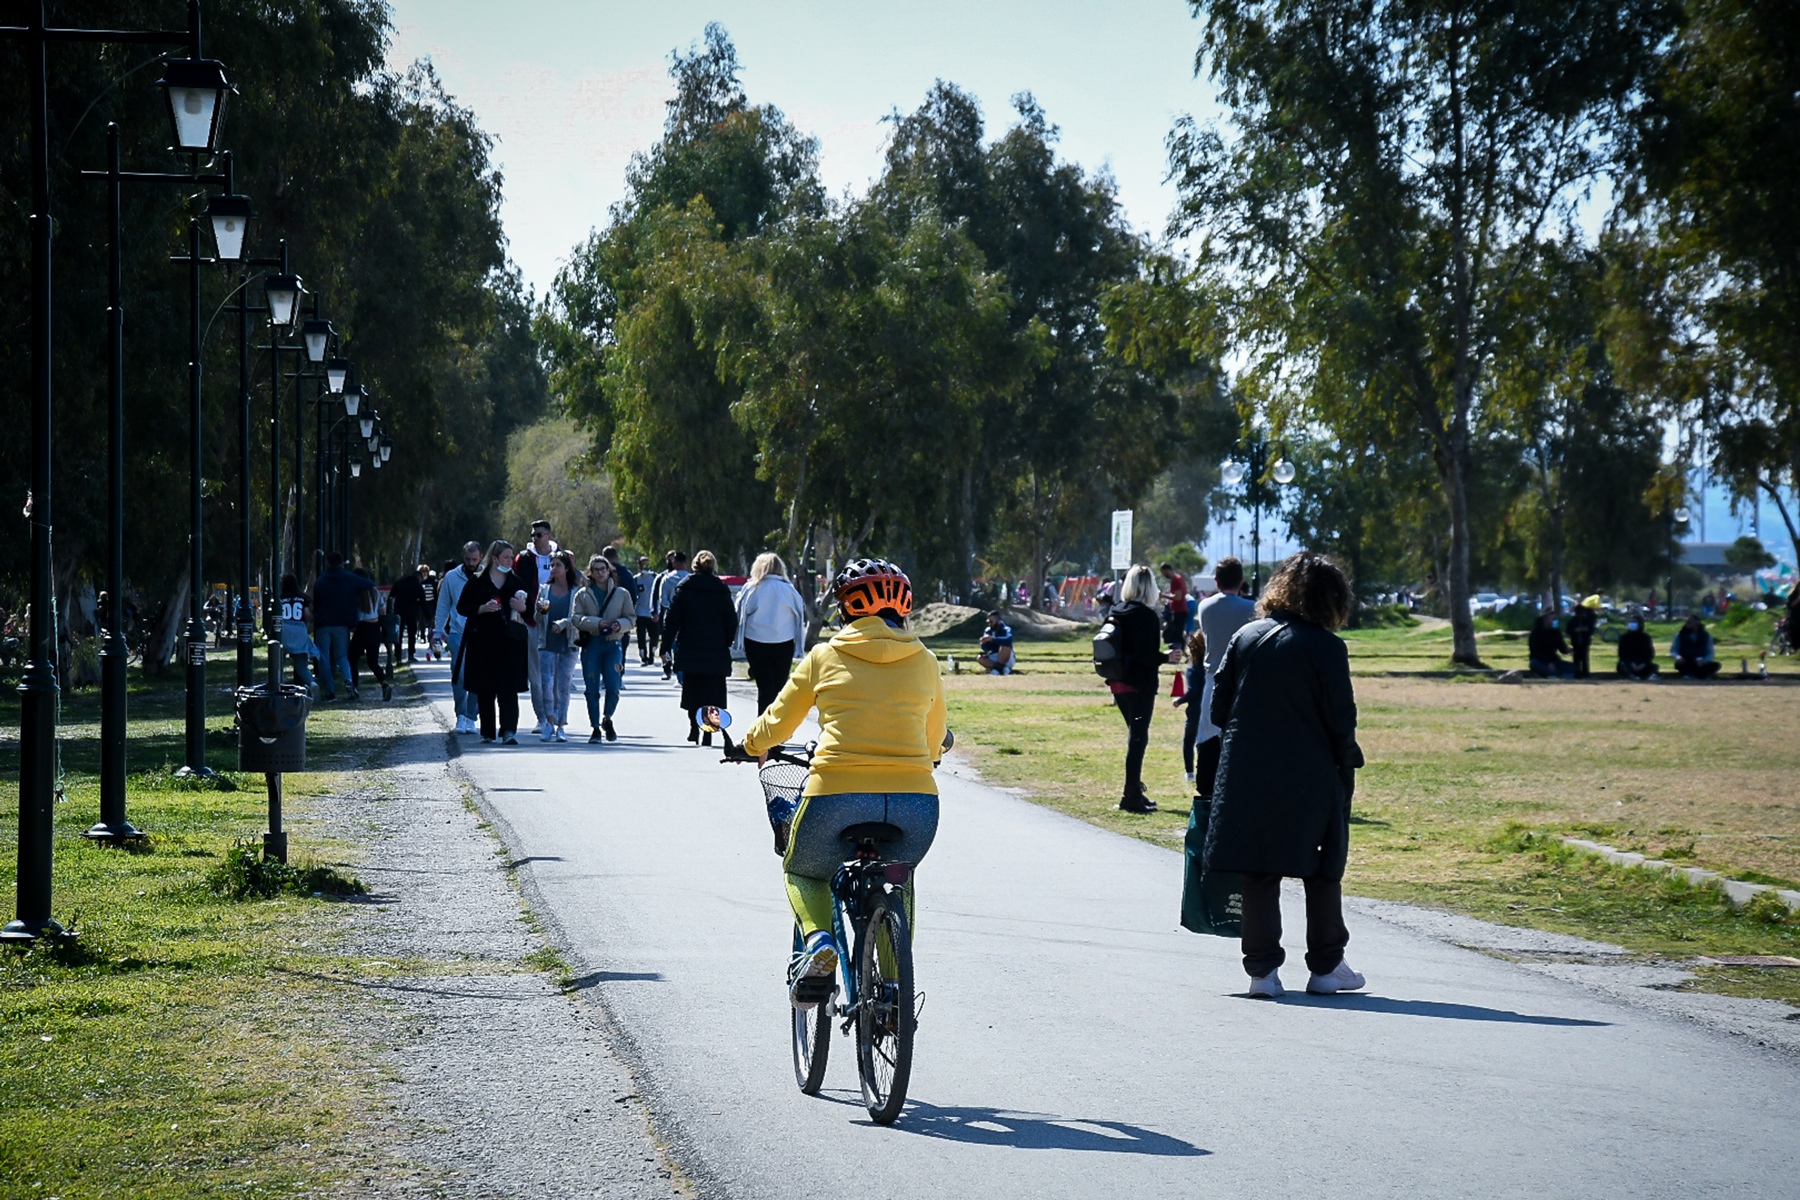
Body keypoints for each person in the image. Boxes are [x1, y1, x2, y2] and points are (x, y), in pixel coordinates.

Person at [736, 557, 948, 1008]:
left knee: (804, 869)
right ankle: (892, 992)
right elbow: (933, 743)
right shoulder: (926, 660)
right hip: (916, 802)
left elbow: (777, 723)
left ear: (845, 610)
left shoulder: (825, 655)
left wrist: (750, 743)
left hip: (836, 793)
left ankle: (818, 944)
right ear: (903, 610)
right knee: (899, 878)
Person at [1206, 551, 1365, 999]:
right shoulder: (1328, 648)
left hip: (1246, 773)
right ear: (1332, 599)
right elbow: (1341, 720)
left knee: (1258, 871)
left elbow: (1219, 710)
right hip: (1310, 775)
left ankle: (1262, 973)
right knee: (1321, 869)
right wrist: (1348, 761)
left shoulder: (1246, 637)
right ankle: (1326, 966)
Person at [1194, 557, 1256, 802]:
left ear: (1216, 581)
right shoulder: (1251, 609)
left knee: (1209, 738)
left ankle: (1207, 789)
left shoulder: (1205, 607)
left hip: (1212, 678)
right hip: (1241, 681)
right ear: (1241, 581)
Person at [660, 550, 737, 745]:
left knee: (692, 690)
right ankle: (708, 731)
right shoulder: (721, 589)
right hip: (715, 648)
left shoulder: (685, 587)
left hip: (690, 646)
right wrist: (727, 641)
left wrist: (666, 646)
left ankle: (694, 727)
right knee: (712, 692)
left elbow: (672, 620)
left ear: (694, 566)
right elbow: (731, 621)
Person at [457, 539, 530, 743]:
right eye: (506, 557)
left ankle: (509, 731)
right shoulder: (477, 581)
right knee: (486, 688)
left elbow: (531, 610)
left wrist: (522, 607)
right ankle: (487, 732)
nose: (509, 560)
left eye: (511, 556)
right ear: (494, 558)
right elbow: (462, 607)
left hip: (510, 643)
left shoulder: (516, 582)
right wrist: (481, 608)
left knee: (508, 689)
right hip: (483, 642)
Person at [1107, 564, 1166, 814]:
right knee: (1138, 738)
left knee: (1136, 734)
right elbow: (1145, 655)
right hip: (1140, 684)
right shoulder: (1147, 616)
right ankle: (1130, 795)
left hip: (1117, 682)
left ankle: (1135, 790)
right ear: (1149, 587)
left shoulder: (1116, 610)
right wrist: (1166, 658)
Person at [735, 552, 810, 713]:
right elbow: (800, 615)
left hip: (755, 641)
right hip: (783, 642)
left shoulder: (752, 588)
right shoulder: (788, 590)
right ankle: (775, 724)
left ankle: (762, 722)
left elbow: (741, 613)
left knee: (764, 686)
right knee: (779, 686)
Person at [573, 553, 634, 742]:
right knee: (591, 688)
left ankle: (607, 717)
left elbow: (631, 618)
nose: (600, 573)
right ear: (590, 572)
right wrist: (597, 623)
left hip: (612, 644)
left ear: (609, 571)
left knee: (613, 686)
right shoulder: (582, 594)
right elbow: (576, 618)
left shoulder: (621, 593)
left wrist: (619, 624)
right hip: (592, 644)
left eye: (603, 569)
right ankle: (595, 727)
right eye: (596, 570)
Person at [513, 519, 560, 737]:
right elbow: (515, 585)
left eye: (539, 534)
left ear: (549, 535)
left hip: (557, 623)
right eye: (533, 535)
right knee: (536, 674)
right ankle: (541, 718)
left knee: (556, 673)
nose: (535, 538)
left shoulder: (561, 558)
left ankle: (556, 716)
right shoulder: (523, 559)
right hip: (531, 621)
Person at [312, 551, 374, 702]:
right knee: (342, 656)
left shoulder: (320, 581)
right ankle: (348, 681)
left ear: (328, 563)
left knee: (324, 658)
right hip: (342, 624)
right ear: (342, 563)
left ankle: (330, 692)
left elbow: (316, 602)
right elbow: (369, 584)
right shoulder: (349, 578)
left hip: (323, 625)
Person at [436, 541, 484, 733]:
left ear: (480, 557)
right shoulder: (452, 577)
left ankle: (472, 716)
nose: (471, 563)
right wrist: (437, 631)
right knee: (459, 674)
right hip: (457, 632)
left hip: (481, 632)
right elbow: (443, 605)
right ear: (463, 557)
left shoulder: (487, 575)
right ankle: (461, 715)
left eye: (474, 559)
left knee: (478, 675)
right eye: (467, 559)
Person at [536, 550, 581, 742]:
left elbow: (580, 617)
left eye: (558, 565)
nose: (554, 569)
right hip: (547, 642)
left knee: (563, 685)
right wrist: (539, 611)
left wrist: (564, 623)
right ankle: (548, 722)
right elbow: (537, 618)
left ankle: (561, 725)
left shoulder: (576, 591)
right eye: (551, 565)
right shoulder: (544, 589)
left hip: (569, 642)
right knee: (546, 684)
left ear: (567, 568)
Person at [349, 569, 392, 701]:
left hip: (363, 627)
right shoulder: (375, 591)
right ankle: (384, 684)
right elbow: (382, 611)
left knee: (352, 658)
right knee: (373, 661)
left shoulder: (356, 593)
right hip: (375, 627)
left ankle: (354, 686)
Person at [1172, 628, 1208, 782]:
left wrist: (1179, 701)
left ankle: (1190, 773)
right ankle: (1205, 769)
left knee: (1189, 741)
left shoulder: (1193, 669)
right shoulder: (1210, 668)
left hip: (1194, 710)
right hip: (1208, 707)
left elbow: (1193, 691)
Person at [276, 574, 320, 696]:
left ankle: (277, 684)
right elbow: (307, 615)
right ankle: (311, 683)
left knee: (279, 661)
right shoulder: (302, 598)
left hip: (284, 631)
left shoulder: (280, 598)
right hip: (299, 631)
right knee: (301, 665)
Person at [654, 551, 691, 679]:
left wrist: (672, 607)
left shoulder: (667, 579)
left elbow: (663, 600)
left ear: (674, 563)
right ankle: (683, 674)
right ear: (686, 563)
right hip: (689, 617)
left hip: (671, 616)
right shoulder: (690, 578)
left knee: (671, 644)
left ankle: (675, 671)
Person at [391, 566, 427, 662]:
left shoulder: (399, 582)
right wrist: (428, 615)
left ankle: (398, 656)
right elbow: (423, 602)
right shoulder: (417, 585)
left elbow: (391, 596)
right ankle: (411, 654)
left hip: (399, 611)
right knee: (412, 633)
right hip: (412, 612)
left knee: (399, 634)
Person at [1671, 614, 1721, 679]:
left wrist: (1704, 661)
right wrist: (1678, 657)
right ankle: (1698, 675)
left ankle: (1696, 674)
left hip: (1700, 662)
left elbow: (1710, 652)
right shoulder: (1680, 635)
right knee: (1680, 665)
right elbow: (1674, 650)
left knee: (1716, 665)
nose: (1687, 624)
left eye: (1689, 623)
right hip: (1686, 660)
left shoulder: (1706, 636)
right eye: (1687, 623)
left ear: (1697, 623)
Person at [1527, 612, 1573, 678]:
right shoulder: (1535, 633)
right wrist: (1548, 663)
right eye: (1553, 619)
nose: (1555, 621)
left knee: (1573, 667)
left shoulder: (1556, 633)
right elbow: (1535, 652)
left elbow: (1562, 648)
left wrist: (1569, 650)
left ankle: (1550, 675)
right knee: (1535, 664)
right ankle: (1553, 674)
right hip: (1539, 660)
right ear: (1545, 619)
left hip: (1554, 660)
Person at [1566, 595, 1600, 679]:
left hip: (1585, 641)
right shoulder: (1573, 620)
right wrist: (1575, 630)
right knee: (1576, 658)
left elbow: (1591, 630)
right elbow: (1568, 630)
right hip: (1576, 642)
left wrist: (1586, 630)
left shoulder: (1587, 620)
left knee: (1585, 658)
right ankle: (1577, 673)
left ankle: (1586, 673)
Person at [633, 554, 658, 665]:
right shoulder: (636, 579)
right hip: (640, 612)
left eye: (647, 563)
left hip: (652, 612)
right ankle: (643, 656)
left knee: (654, 635)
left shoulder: (655, 578)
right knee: (641, 635)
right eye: (643, 564)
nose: (646, 566)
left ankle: (652, 654)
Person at [1159, 562, 1189, 648]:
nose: (1163, 575)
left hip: (1180, 610)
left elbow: (1178, 597)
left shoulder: (1176, 579)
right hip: (1179, 610)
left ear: (1167, 570)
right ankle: (1182, 652)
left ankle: (1177, 652)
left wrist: (1163, 595)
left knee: (1176, 634)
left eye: (1163, 572)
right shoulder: (1178, 578)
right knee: (1178, 633)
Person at [976, 611, 1015, 675]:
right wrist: (983, 642)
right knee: (980, 658)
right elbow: (986, 648)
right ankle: (1001, 669)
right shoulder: (988, 630)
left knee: (1004, 646)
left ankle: (998, 668)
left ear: (998, 621)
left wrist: (993, 639)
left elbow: (1009, 640)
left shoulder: (1006, 629)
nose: (989, 624)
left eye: (991, 622)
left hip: (1007, 657)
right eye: (988, 622)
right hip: (994, 655)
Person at [417, 565, 440, 660]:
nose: (424, 573)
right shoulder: (419, 582)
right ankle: (422, 636)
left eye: (425, 571)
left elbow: (435, 594)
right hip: (421, 605)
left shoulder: (432, 582)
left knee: (431, 623)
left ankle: (430, 637)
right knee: (421, 621)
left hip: (431, 605)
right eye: (422, 572)